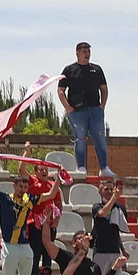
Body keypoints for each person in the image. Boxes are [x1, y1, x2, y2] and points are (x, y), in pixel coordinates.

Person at [59, 42, 110, 177]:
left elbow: (104, 88)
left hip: (95, 109)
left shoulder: (97, 69)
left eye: (88, 51)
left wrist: (102, 106)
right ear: (77, 52)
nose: (87, 54)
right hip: (77, 111)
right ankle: (81, 167)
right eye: (84, 51)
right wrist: (68, 108)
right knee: (80, 139)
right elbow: (60, 90)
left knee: (100, 139)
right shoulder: (69, 70)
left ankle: (104, 167)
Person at [0, 175, 38, 275]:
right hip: (9, 244)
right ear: (14, 186)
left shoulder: (29, 200)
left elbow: (50, 195)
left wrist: (57, 177)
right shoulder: (5, 198)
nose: (22, 189)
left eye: (25, 187)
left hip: (24, 244)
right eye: (20, 186)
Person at [90, 177, 130, 274]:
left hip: (115, 251)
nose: (109, 191)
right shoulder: (97, 207)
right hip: (101, 251)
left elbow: (116, 230)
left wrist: (123, 250)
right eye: (106, 189)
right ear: (100, 191)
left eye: (111, 189)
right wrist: (114, 198)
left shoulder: (120, 208)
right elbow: (103, 213)